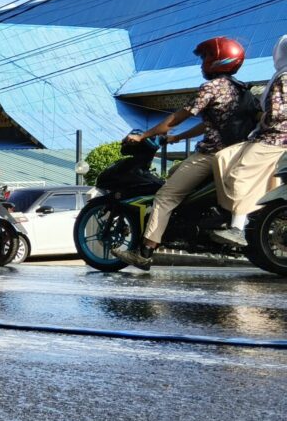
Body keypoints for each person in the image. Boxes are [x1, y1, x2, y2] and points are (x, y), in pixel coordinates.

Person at [115, 37, 251, 270]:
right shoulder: (242, 90)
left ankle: (145, 251)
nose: (201, 64)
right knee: (177, 171)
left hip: (211, 156)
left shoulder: (212, 87)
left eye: (205, 58)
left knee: (166, 196)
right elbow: (210, 123)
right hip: (237, 154)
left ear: (218, 60)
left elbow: (176, 118)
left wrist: (142, 136)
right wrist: (178, 138)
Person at [211, 34, 287, 246]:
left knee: (240, 175)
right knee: (222, 158)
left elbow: (279, 115)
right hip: (264, 136)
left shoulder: (284, 77)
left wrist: (261, 117)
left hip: (275, 137)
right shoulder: (280, 75)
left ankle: (237, 227)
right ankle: (230, 210)